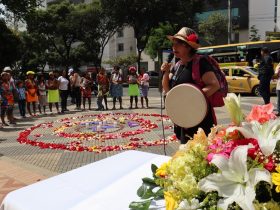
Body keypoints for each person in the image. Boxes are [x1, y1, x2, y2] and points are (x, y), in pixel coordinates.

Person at [161, 27, 220, 144]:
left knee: (202, 155)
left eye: (178, 44)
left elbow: (214, 85)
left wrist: (191, 100)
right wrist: (166, 72)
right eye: (173, 44)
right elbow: (168, 90)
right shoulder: (177, 66)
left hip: (201, 120)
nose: (174, 47)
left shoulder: (201, 62)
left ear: (188, 46)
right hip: (184, 119)